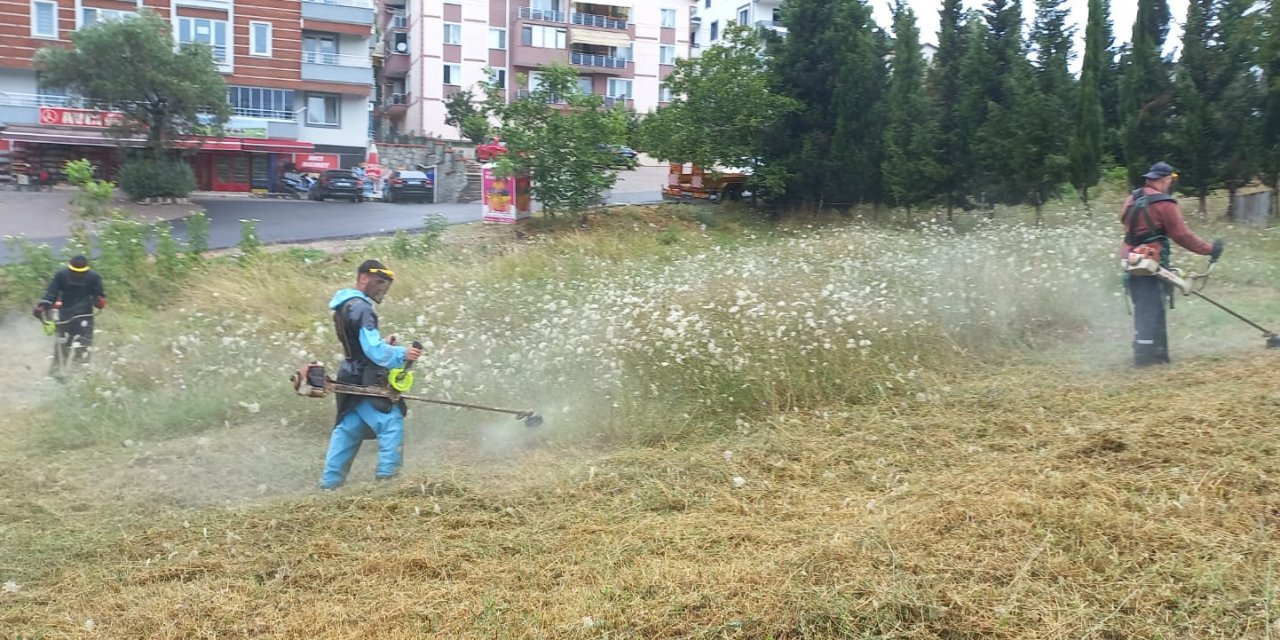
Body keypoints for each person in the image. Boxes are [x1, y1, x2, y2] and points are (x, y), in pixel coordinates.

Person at [320, 259, 422, 490]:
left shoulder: (344, 304)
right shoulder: (362, 308)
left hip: (348, 375)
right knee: (390, 422)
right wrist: (401, 353)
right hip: (366, 379)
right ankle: (388, 480)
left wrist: (384, 343)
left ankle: (329, 484)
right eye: (377, 282)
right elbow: (374, 351)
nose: (380, 288)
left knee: (349, 428)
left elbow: (359, 344)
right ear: (363, 278)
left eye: (384, 284)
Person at [1120, 162, 1223, 367]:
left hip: (1130, 258)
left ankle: (1156, 351)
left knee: (1146, 305)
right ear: (1165, 180)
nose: (1170, 183)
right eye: (1170, 180)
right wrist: (1210, 250)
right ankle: (1145, 356)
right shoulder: (1164, 203)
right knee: (1150, 307)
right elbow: (1182, 235)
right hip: (1151, 260)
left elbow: (1123, 221)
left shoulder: (1132, 198)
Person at [33, 255, 107, 374]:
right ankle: (55, 376)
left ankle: (78, 378)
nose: (78, 275)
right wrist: (43, 306)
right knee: (62, 349)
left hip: (85, 317)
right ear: (70, 269)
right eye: (74, 272)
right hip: (65, 317)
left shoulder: (94, 277)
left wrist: (99, 302)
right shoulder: (61, 275)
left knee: (83, 349)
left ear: (86, 270)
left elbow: (98, 296)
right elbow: (51, 294)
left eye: (81, 273)